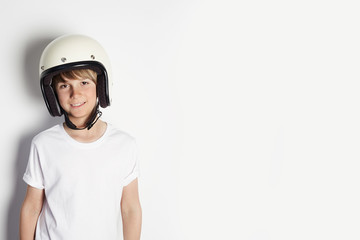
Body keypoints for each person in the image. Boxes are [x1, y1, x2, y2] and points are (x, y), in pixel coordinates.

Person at [19, 34, 142, 240]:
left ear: (101, 87)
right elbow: (31, 207)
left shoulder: (124, 144)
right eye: (64, 86)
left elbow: (130, 208)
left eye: (84, 82)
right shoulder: (43, 144)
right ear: (53, 94)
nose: (75, 94)